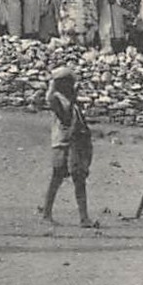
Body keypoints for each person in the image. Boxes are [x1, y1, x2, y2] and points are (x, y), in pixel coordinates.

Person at [39, 66, 98, 227]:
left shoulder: (70, 100)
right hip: (63, 143)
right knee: (62, 178)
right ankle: (52, 214)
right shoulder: (56, 98)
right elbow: (65, 119)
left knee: (74, 179)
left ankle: (80, 216)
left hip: (72, 143)